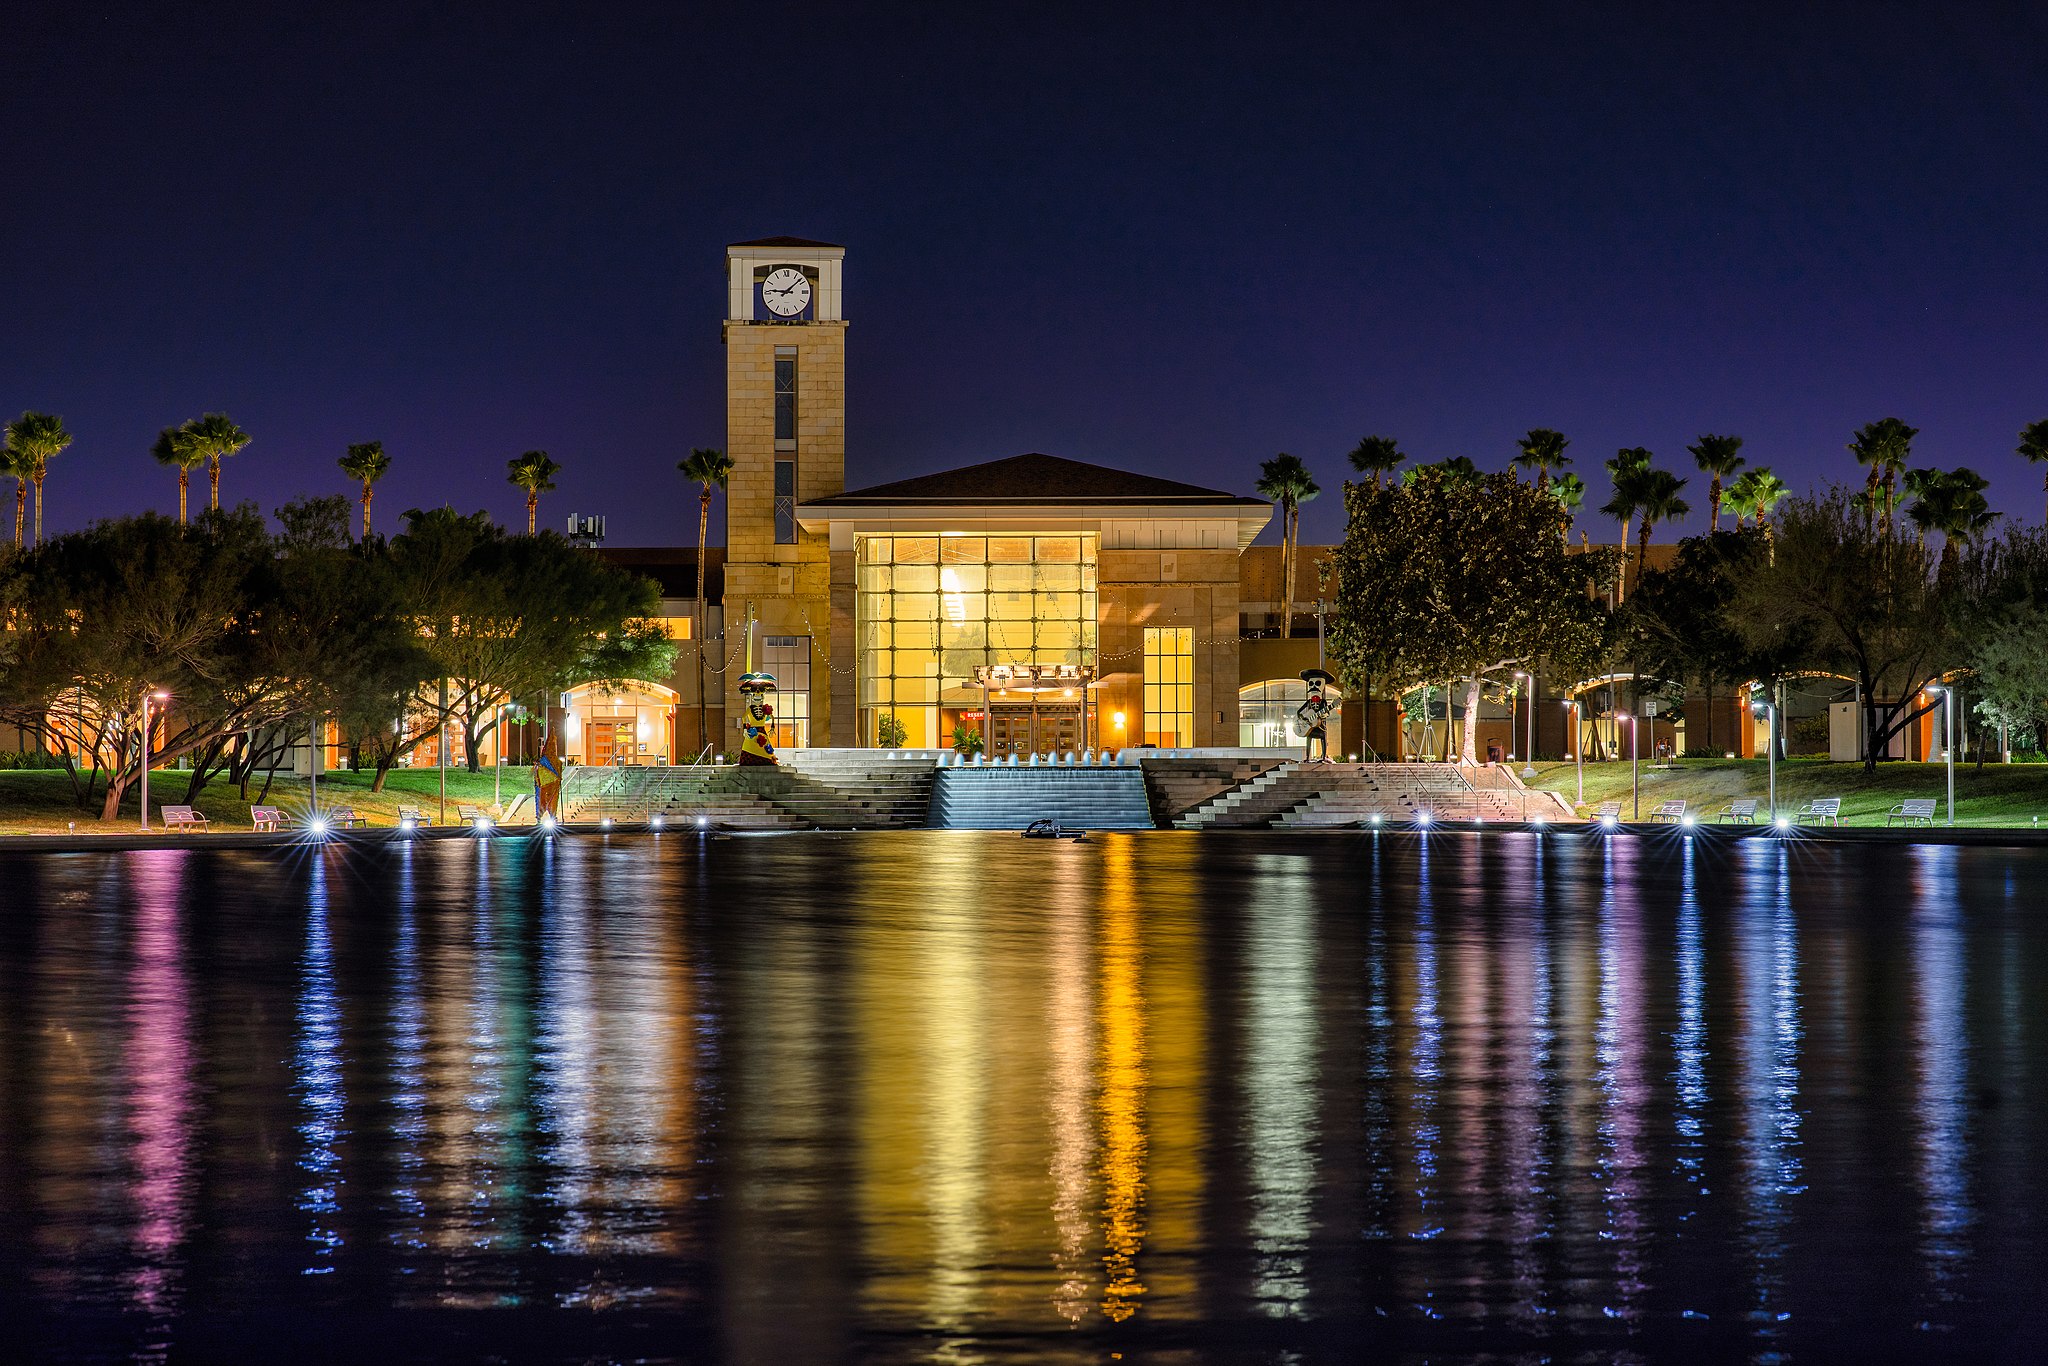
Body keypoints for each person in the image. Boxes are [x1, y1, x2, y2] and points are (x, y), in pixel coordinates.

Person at [1297, 668, 1336, 764]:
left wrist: (1324, 714)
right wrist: (1302, 717)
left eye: (1317, 683)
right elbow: (1299, 711)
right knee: (1308, 738)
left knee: (1323, 736)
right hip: (1310, 726)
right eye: (1311, 684)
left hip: (1320, 726)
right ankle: (1307, 757)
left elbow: (1327, 713)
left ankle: (1323, 757)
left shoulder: (1323, 702)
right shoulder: (1309, 702)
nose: (1314, 687)